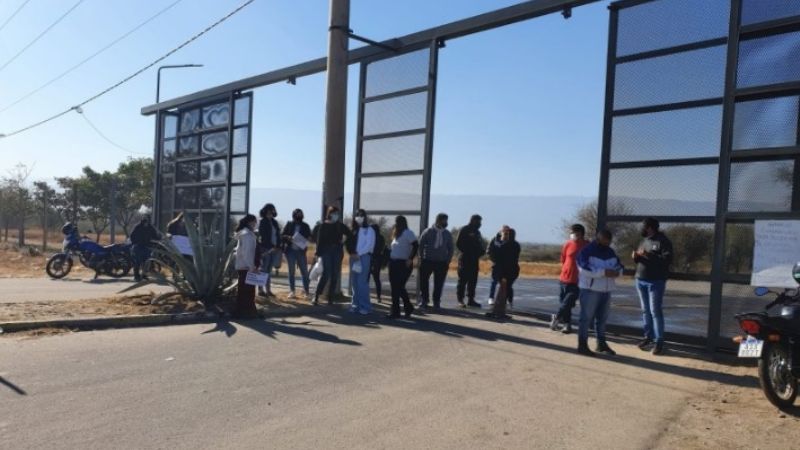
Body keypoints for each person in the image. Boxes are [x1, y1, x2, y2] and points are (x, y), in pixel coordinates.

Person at [576, 229, 624, 357]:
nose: (607, 245)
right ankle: (582, 345)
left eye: (608, 242)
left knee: (602, 320)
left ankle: (601, 344)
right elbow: (583, 268)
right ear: (598, 239)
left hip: (606, 290)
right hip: (590, 290)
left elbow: (619, 265)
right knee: (586, 319)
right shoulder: (586, 251)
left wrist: (617, 272)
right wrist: (603, 272)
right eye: (604, 242)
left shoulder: (610, 251)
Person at [633, 217, 673, 356]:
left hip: (656, 281)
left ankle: (659, 341)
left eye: (643, 226)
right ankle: (648, 337)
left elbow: (667, 260)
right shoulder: (644, 240)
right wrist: (636, 257)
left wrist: (649, 255)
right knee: (645, 311)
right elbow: (642, 257)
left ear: (650, 227)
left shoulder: (663, 241)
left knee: (655, 311)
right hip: (640, 279)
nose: (641, 228)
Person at [551, 224, 589, 334]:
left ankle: (557, 317)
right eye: (572, 233)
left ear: (581, 233)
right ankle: (567, 324)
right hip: (564, 279)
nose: (573, 235)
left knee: (567, 302)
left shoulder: (587, 245)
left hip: (578, 281)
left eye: (575, 233)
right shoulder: (567, 244)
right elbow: (563, 259)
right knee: (563, 302)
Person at [312, 206, 350, 305]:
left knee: (335, 274)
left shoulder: (340, 225)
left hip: (337, 251)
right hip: (326, 251)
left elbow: (349, 233)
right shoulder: (323, 225)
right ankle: (316, 295)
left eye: (337, 213)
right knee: (326, 273)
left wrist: (344, 240)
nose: (336, 215)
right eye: (334, 213)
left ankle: (331, 297)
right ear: (329, 214)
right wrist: (317, 253)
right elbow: (319, 240)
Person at [418, 213, 454, 311]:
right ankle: (424, 300)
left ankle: (436, 302)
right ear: (438, 220)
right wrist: (421, 258)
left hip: (441, 263)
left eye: (446, 220)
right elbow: (421, 245)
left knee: (439, 283)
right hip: (427, 261)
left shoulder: (447, 233)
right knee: (424, 282)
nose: (446, 222)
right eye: (444, 220)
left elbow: (451, 248)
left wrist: (448, 260)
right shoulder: (428, 231)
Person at [386, 216, 418, 319]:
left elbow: (416, 245)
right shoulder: (396, 234)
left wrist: (410, 258)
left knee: (398, 287)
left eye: (397, 222)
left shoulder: (408, 233)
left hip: (404, 263)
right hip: (393, 263)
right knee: (395, 288)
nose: (395, 224)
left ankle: (400, 309)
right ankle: (403, 308)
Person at [486, 227, 520, 320]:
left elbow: (503, 258)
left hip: (508, 270)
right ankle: (504, 306)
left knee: (504, 289)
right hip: (509, 270)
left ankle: (500, 309)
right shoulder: (515, 245)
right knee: (506, 288)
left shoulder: (508, 245)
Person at [347, 209, 376, 315]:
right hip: (353, 258)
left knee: (361, 282)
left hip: (363, 257)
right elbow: (348, 242)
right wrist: (352, 253)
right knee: (354, 283)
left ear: (365, 217)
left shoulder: (369, 230)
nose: (359, 217)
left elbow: (369, 245)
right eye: (357, 215)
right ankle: (355, 305)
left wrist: (358, 253)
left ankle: (366, 306)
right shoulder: (353, 230)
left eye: (361, 215)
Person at [281, 208, 312, 299]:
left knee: (304, 272)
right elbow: (282, 235)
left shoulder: (305, 225)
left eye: (300, 214)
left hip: (301, 251)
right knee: (291, 272)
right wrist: (289, 237)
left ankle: (306, 292)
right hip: (290, 251)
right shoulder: (289, 224)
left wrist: (308, 239)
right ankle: (292, 291)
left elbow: (310, 237)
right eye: (297, 214)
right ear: (294, 215)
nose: (299, 216)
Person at [233, 214, 259, 319]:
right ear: (249, 222)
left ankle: (245, 312)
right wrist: (251, 267)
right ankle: (246, 312)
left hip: (243, 266)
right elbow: (247, 252)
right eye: (254, 221)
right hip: (246, 266)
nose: (255, 224)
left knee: (244, 290)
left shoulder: (244, 233)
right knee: (248, 291)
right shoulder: (247, 235)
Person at [456, 214, 485, 308]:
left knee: (473, 281)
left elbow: (481, 244)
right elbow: (458, 243)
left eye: (480, 222)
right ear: (473, 220)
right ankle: (460, 300)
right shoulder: (464, 229)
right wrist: (467, 251)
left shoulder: (477, 232)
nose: (479, 224)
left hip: (474, 260)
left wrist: (480, 253)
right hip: (465, 259)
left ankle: (471, 300)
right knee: (463, 280)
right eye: (478, 221)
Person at [258, 203, 281, 297]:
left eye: (272, 210)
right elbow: (263, 236)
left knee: (269, 270)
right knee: (264, 269)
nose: (271, 212)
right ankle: (260, 290)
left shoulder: (274, 222)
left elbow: (278, 235)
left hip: (274, 248)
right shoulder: (263, 221)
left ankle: (268, 290)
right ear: (265, 211)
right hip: (266, 248)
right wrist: (271, 246)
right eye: (269, 210)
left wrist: (278, 245)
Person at [130, 215, 162, 282]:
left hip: (147, 247)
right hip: (138, 247)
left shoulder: (151, 228)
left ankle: (144, 275)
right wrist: (135, 243)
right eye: (145, 220)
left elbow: (155, 236)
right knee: (137, 262)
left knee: (146, 263)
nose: (146, 222)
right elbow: (132, 236)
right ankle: (136, 276)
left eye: (147, 220)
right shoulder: (138, 227)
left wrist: (159, 238)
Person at [486, 227, 509, 306]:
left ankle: (504, 299)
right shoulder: (495, 240)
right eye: (504, 232)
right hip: (496, 264)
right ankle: (491, 298)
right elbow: (488, 250)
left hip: (505, 265)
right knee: (494, 282)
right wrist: (494, 259)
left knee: (504, 283)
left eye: (507, 232)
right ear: (501, 231)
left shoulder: (509, 241)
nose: (506, 234)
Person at [370, 223, 388, 303]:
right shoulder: (381, 237)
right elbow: (382, 248)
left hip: (370, 259)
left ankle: (365, 295)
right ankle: (378, 297)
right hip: (377, 260)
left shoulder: (371, 237)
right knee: (377, 279)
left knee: (366, 279)